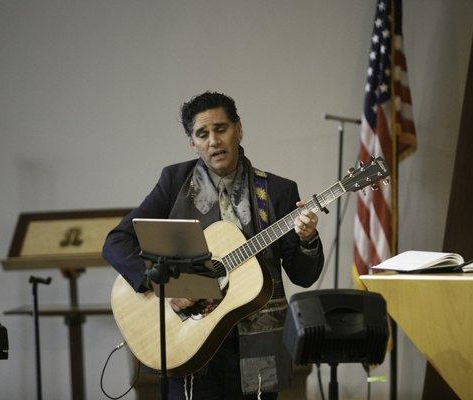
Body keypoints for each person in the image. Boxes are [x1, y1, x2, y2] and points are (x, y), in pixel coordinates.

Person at [102, 91, 324, 399]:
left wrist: (307, 239)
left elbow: (303, 275)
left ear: (238, 129)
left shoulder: (277, 190)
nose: (213, 141)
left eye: (221, 129)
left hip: (255, 348)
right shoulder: (174, 181)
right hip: (188, 342)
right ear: (192, 142)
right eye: (202, 134)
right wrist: (160, 284)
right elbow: (116, 242)